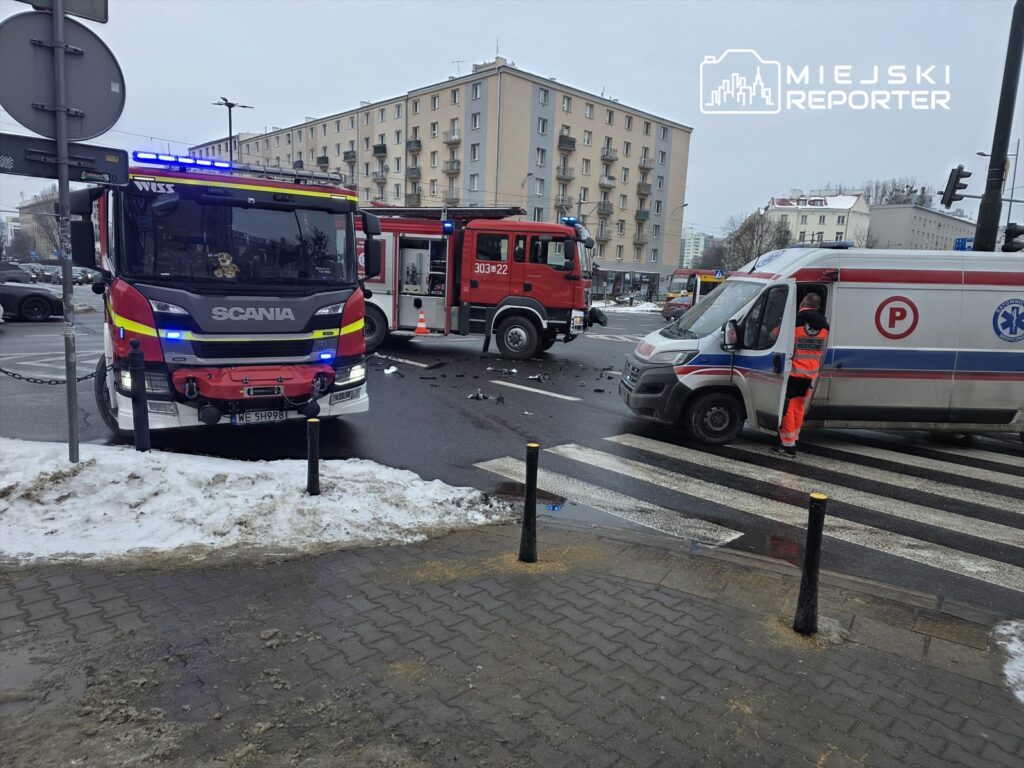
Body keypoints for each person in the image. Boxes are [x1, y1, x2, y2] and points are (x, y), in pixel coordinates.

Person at [771, 292, 829, 458]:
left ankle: (788, 446)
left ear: (803, 302)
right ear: (818, 306)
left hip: (794, 371)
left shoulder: (796, 320)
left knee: (788, 409)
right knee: (798, 408)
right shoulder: (824, 325)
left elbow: (775, 335)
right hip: (810, 374)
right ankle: (794, 438)